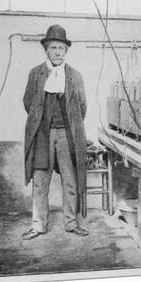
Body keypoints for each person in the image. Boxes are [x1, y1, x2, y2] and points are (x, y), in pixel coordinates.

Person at [22, 24, 89, 240]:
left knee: (70, 181)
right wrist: (42, 123)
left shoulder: (75, 76)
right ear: (46, 50)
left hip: (67, 135)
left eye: (61, 48)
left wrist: (67, 127)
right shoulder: (36, 74)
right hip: (42, 135)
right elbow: (28, 102)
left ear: (66, 51)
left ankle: (71, 223)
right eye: (53, 48)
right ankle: (38, 225)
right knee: (40, 181)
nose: (58, 52)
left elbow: (82, 107)